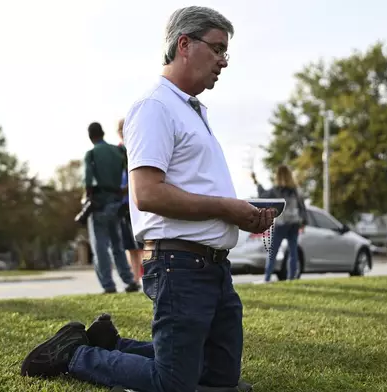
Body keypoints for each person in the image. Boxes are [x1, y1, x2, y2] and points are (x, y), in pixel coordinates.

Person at [20, 6, 274, 392]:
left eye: (226, 52)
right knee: (174, 383)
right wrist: (226, 208)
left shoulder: (191, 110)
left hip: (213, 268)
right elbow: (147, 193)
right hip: (180, 264)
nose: (224, 61)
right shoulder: (155, 106)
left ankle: (111, 345)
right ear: (184, 44)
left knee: (222, 378)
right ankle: (75, 354)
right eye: (218, 48)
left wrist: (244, 214)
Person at [83, 122, 139, 294]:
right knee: (118, 245)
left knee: (100, 246)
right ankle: (129, 281)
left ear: (90, 136)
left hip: (99, 204)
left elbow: (88, 180)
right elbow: (131, 172)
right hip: (116, 202)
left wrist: (88, 200)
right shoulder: (118, 151)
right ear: (103, 132)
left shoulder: (91, 154)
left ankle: (108, 285)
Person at [251, 165, 308, 282]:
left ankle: (267, 278)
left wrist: (256, 182)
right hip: (294, 223)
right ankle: (291, 278)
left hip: (281, 223)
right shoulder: (296, 190)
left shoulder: (276, 190)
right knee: (293, 251)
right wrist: (304, 221)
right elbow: (302, 207)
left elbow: (263, 196)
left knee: (273, 251)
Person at [117, 117, 143, 283]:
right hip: (125, 204)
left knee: (140, 244)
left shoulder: (136, 148)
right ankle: (135, 277)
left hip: (136, 202)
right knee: (130, 246)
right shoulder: (118, 152)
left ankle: (140, 275)